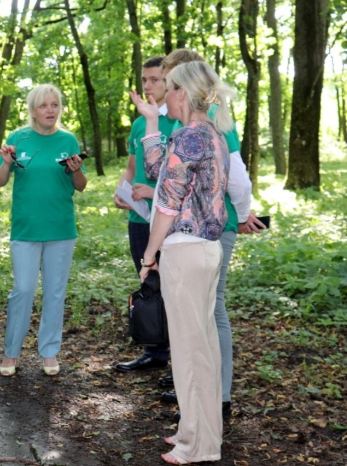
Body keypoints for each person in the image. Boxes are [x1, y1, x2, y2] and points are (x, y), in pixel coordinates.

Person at [132, 61, 233, 464]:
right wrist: (152, 123)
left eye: (168, 88)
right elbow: (160, 172)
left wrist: (149, 254)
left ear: (182, 93)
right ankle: (194, 431)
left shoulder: (193, 135)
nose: (162, 94)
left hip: (187, 251)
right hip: (200, 251)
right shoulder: (202, 133)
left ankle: (201, 446)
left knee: (193, 352)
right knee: (199, 347)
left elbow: (167, 204)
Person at [157, 49, 264, 421]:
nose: (164, 91)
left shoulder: (213, 123)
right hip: (193, 230)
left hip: (212, 229)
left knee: (211, 310)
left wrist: (245, 213)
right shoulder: (181, 123)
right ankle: (198, 390)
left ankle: (218, 394)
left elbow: (237, 179)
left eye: (169, 82)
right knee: (197, 313)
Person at [0, 84, 87, 377]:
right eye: (44, 105)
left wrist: (76, 169)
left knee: (55, 292)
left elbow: (81, 186)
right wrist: (7, 163)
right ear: (33, 110)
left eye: (55, 105)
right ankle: (11, 352)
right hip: (26, 228)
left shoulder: (68, 139)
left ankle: (49, 351)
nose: (50, 110)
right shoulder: (18, 138)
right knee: (22, 289)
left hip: (61, 227)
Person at [114, 56, 176, 373]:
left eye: (155, 79)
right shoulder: (140, 122)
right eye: (144, 80)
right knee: (148, 283)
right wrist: (121, 189)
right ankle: (156, 351)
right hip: (140, 218)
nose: (149, 86)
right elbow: (131, 165)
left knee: (174, 287)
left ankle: (178, 360)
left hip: (170, 220)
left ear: (170, 81)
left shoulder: (178, 119)